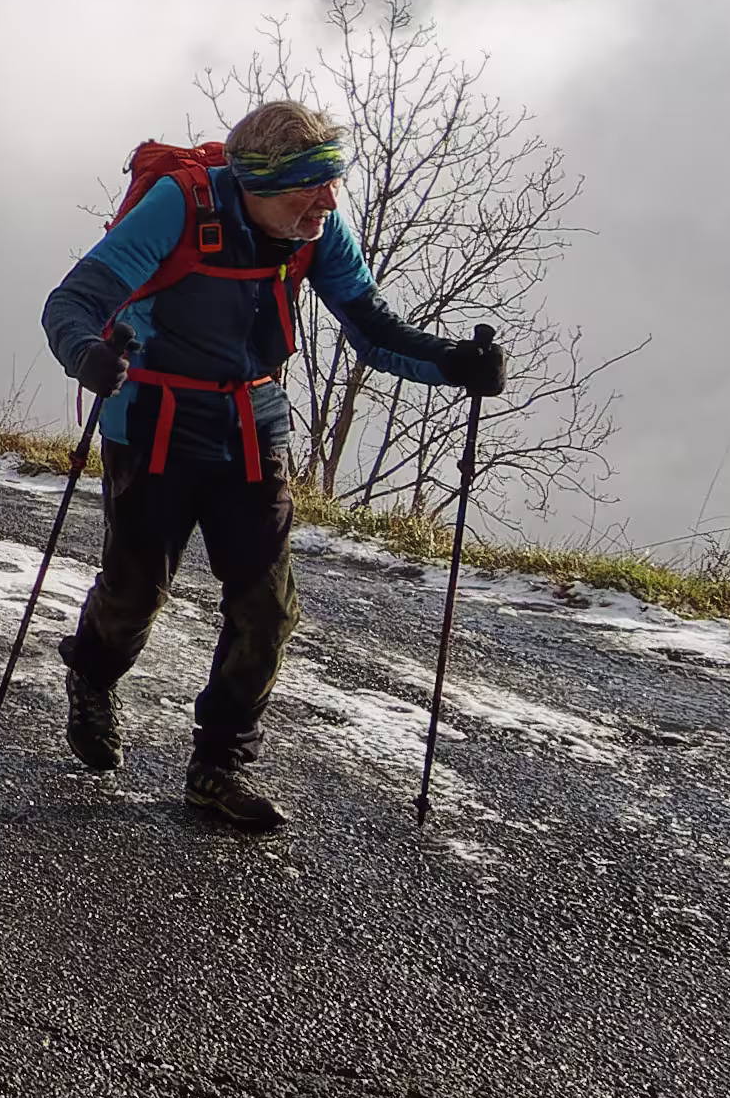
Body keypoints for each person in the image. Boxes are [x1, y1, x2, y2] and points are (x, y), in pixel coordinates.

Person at [34, 99, 504, 835]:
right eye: (307, 188)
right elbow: (75, 299)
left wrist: (453, 363)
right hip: (153, 420)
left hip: (252, 427)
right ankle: (92, 675)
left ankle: (219, 765)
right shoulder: (178, 205)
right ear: (255, 183)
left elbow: (371, 330)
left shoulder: (315, 229)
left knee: (268, 607)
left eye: (332, 183)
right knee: (135, 597)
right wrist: (86, 353)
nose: (327, 201)